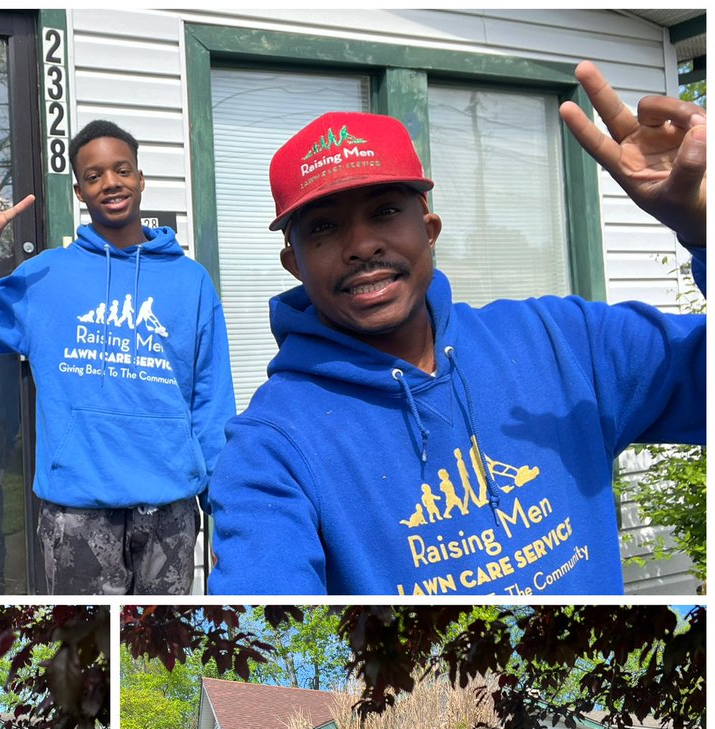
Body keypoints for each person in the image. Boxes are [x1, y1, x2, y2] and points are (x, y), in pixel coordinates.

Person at [208, 62, 706, 596]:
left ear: (429, 229)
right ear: (294, 265)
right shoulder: (271, 446)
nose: (361, 245)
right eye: (324, 227)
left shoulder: (563, 342)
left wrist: (706, 227)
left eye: (384, 211)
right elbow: (266, 606)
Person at [0, 120, 235, 595]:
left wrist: (225, 509)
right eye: (94, 175)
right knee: (87, 654)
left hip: (170, 511)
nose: (111, 183)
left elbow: (211, 402)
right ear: (79, 190)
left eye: (122, 170)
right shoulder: (45, 277)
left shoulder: (191, 281)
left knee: (158, 650)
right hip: (75, 514)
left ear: (141, 178)